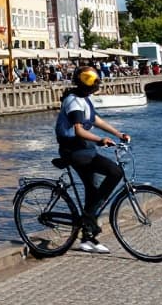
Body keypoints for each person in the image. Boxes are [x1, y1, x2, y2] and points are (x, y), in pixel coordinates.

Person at [56, 66, 130, 254]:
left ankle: (87, 237)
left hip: (84, 148)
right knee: (115, 172)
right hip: (74, 150)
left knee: (93, 189)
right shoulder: (73, 102)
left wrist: (118, 133)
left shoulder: (83, 99)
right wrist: (100, 140)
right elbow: (79, 130)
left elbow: (96, 120)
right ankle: (88, 219)